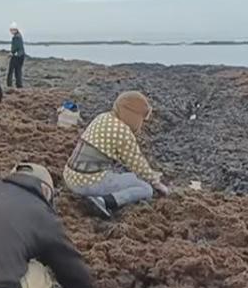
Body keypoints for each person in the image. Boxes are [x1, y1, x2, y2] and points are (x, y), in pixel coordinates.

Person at [63, 91, 170, 219]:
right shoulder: (122, 131)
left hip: (70, 176)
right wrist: (157, 183)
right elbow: (137, 163)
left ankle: (101, 196)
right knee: (145, 188)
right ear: (133, 115)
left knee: (127, 175)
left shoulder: (102, 117)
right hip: (87, 184)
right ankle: (104, 201)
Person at [7, 22, 25, 89]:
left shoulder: (15, 37)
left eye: (11, 30)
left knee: (11, 71)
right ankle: (19, 85)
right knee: (18, 71)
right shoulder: (19, 35)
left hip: (16, 56)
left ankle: (9, 85)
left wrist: (11, 53)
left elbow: (15, 47)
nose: (11, 32)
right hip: (21, 55)